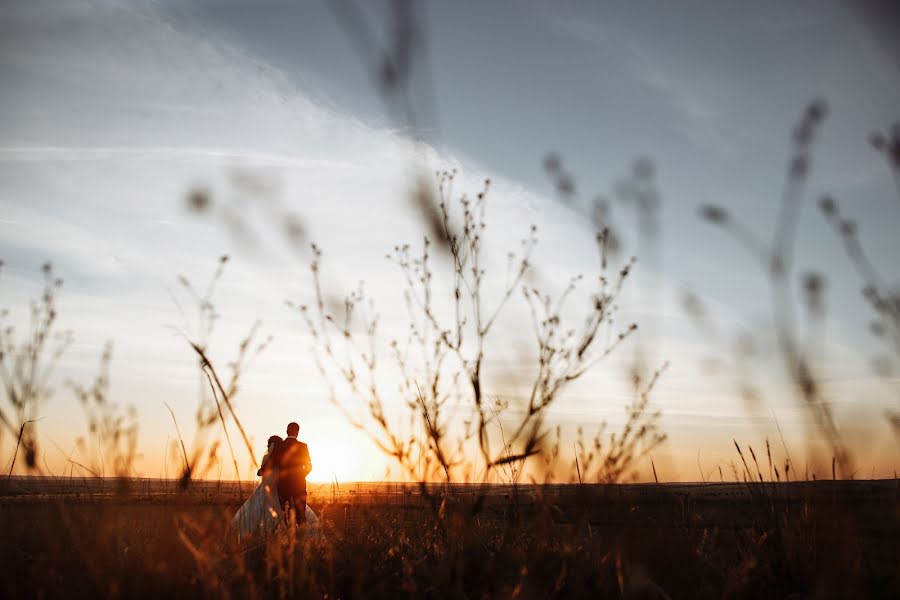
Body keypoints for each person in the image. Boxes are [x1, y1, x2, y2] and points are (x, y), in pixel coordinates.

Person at [274, 421, 312, 525]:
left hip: (283, 485)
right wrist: (301, 476)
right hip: (299, 485)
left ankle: (284, 537)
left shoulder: (279, 446)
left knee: (283, 514)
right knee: (300, 515)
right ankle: (301, 537)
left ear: (286, 431)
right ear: (298, 432)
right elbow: (309, 466)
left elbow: (274, 464)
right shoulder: (303, 446)